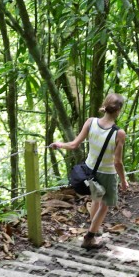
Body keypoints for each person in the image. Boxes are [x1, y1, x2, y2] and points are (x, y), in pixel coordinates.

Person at [51, 93, 129, 249]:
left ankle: (95, 230)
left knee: (96, 199)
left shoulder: (91, 122)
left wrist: (60, 144)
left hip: (89, 171)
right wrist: (123, 180)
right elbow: (117, 162)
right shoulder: (119, 133)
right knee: (104, 206)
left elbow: (74, 145)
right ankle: (90, 237)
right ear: (118, 110)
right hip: (106, 173)